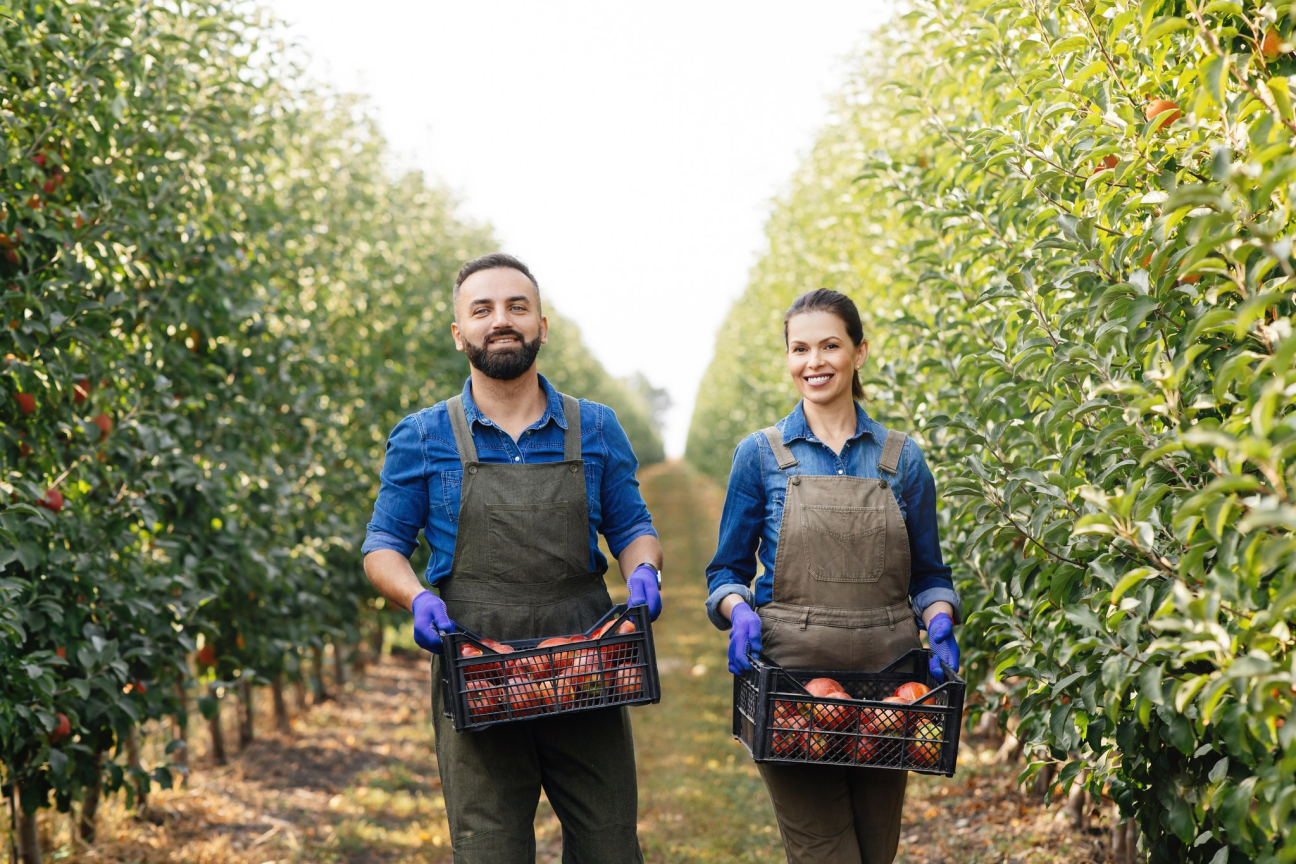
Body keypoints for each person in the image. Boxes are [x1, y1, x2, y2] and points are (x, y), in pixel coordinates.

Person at [362, 252, 663, 863]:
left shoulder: (594, 427)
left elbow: (633, 526)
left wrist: (643, 570)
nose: (501, 320)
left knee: (609, 845)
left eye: (516, 307)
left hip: (586, 660)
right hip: (477, 665)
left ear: (541, 327)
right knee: (489, 849)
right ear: (460, 334)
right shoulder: (423, 435)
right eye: (483, 310)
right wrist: (416, 597)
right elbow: (383, 546)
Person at [704, 288, 961, 864]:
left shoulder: (902, 459)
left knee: (875, 851)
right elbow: (725, 571)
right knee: (825, 852)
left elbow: (929, 574)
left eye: (829, 346)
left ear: (858, 352)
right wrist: (737, 609)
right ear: (787, 358)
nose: (813, 362)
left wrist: (941, 616)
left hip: (890, 693)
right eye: (800, 349)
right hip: (793, 690)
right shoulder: (761, 455)